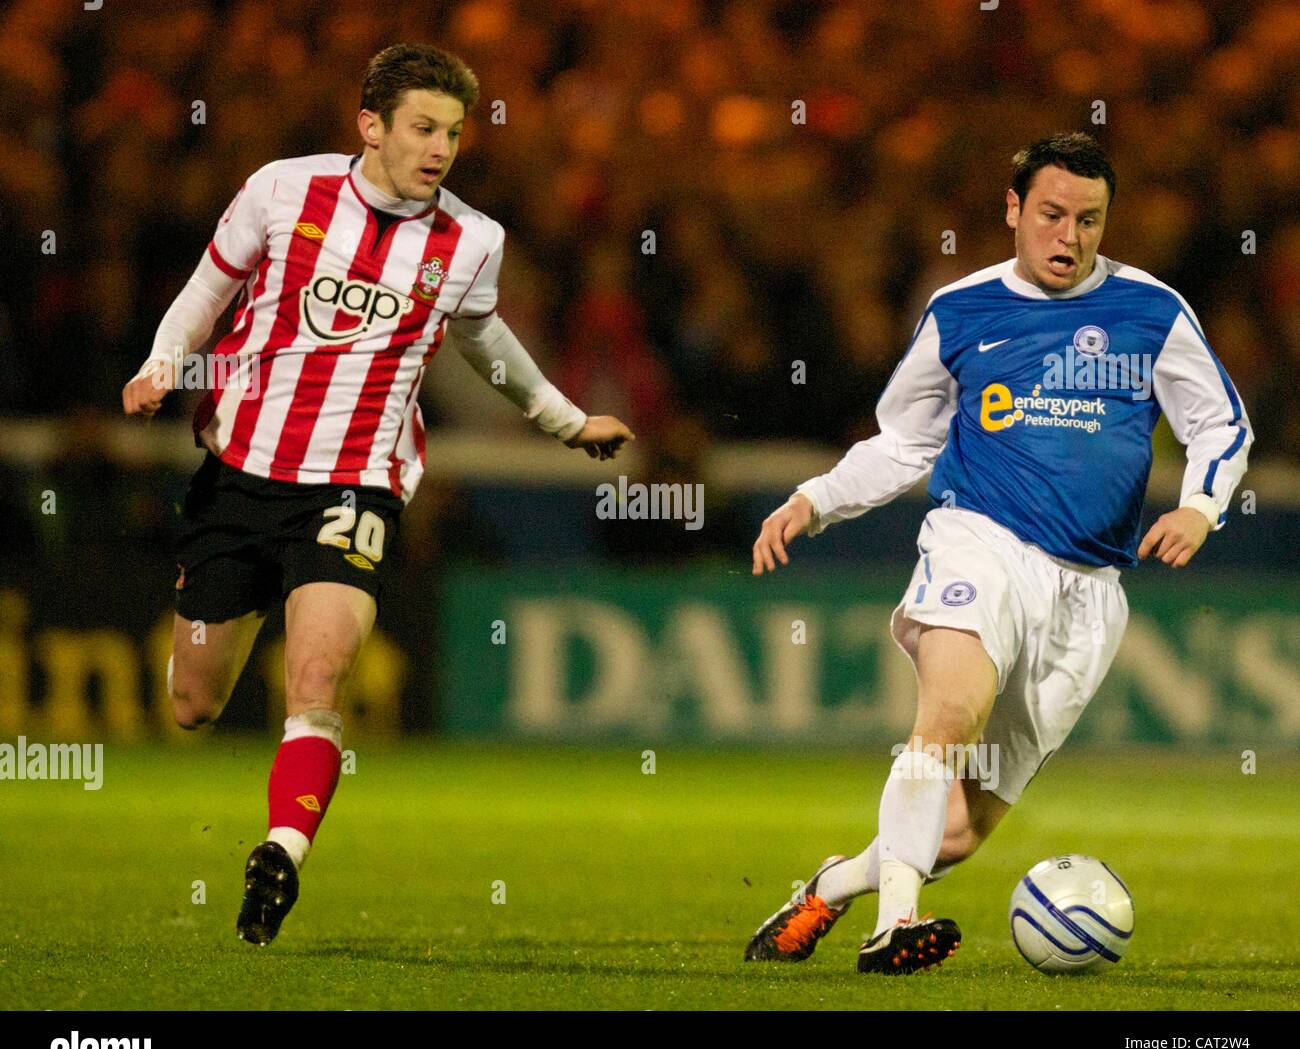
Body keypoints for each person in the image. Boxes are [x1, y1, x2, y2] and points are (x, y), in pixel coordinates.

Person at [121, 42, 634, 946]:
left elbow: (485, 342)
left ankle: (280, 851)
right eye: (423, 128)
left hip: (356, 482)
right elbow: (207, 290)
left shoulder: (471, 240)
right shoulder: (283, 190)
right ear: (372, 126)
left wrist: (562, 418)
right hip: (239, 473)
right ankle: (224, 697)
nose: (440, 148)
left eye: (453, 133)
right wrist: (164, 362)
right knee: (194, 705)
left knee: (317, 677)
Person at [745, 132, 1250, 974]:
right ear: (1013, 210)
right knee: (948, 716)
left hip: (1089, 591)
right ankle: (896, 924)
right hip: (980, 541)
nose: (1070, 236)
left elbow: (1220, 423)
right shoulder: (962, 311)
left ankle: (830, 890)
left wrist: (1201, 506)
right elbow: (902, 443)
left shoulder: (1150, 309)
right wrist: (816, 498)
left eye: (1089, 220)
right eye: (1052, 214)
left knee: (954, 833)